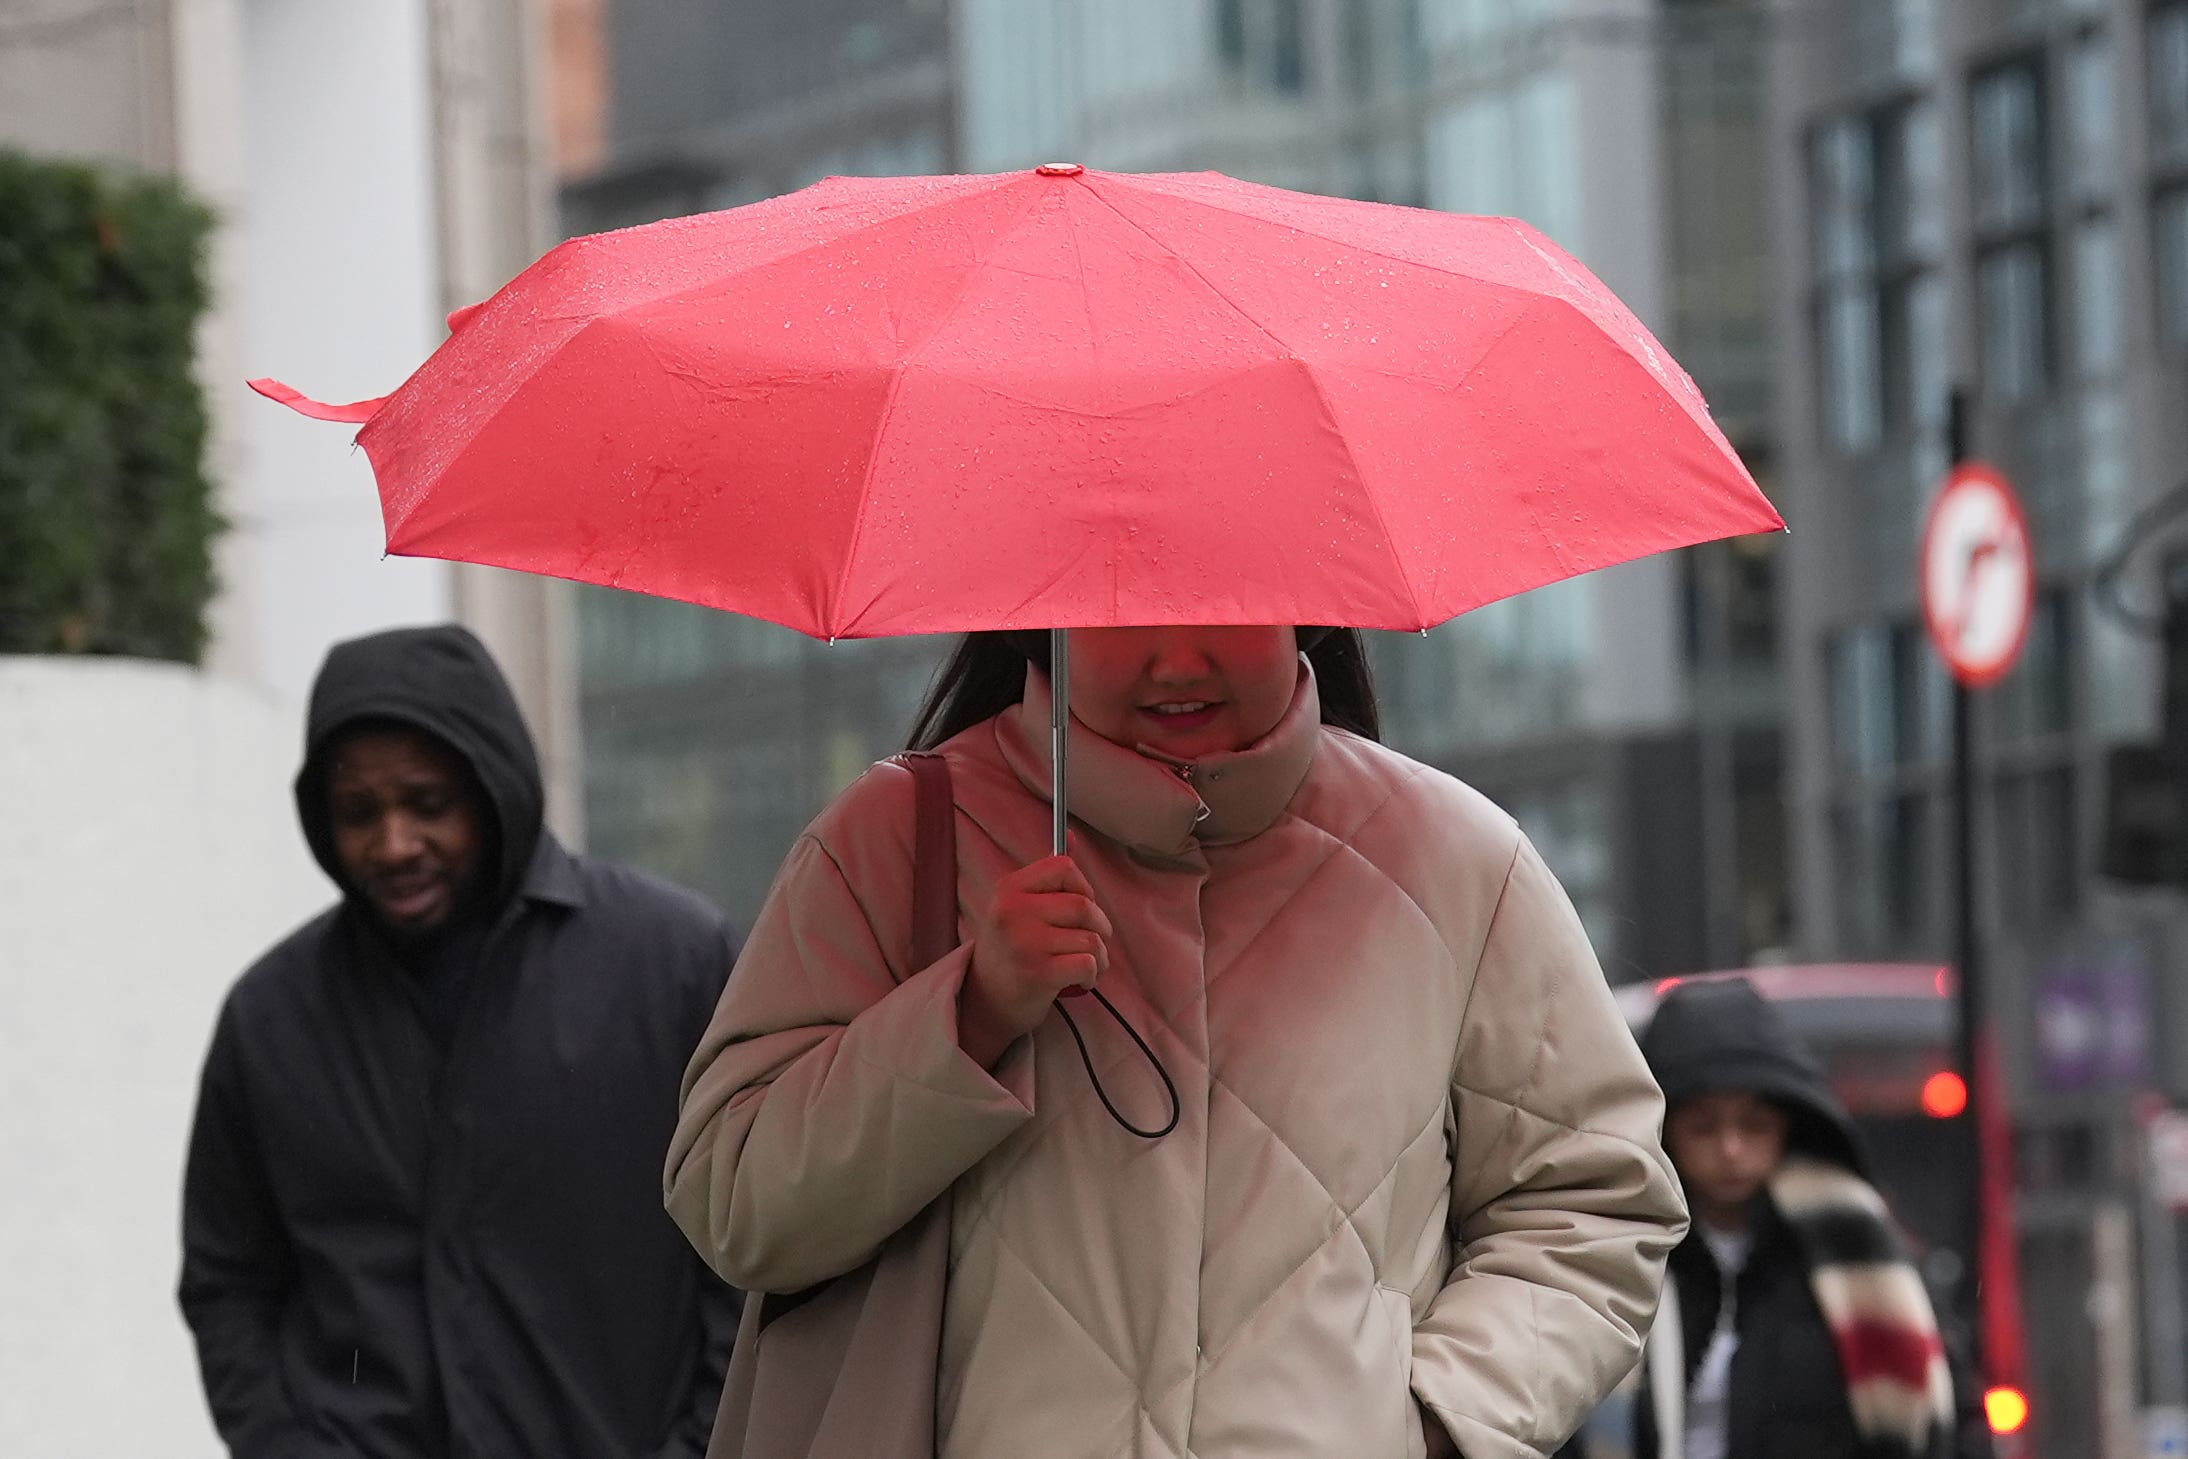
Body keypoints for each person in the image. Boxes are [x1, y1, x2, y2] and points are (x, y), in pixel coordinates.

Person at [666, 626, 1688, 1459]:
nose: (1179, 657)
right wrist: (967, 1012)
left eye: (1228, 596)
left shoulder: (1460, 863)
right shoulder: (892, 840)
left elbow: (1593, 1201)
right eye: (1123, 599)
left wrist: (1434, 1419)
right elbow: (735, 1200)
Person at [180, 624, 741, 1459]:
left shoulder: (677, 963)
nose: (394, 843)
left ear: (493, 786)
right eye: (358, 813)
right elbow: (228, 1279)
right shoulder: (269, 1020)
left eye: (428, 803)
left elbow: (751, 1249)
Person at [1632, 977, 1991, 1459]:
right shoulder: (1619, 1257)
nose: (1731, 1149)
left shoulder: (1860, 1247)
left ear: (1788, 1123)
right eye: (1702, 1126)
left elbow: (1956, 1421)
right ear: (1663, 1129)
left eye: (1754, 1124)